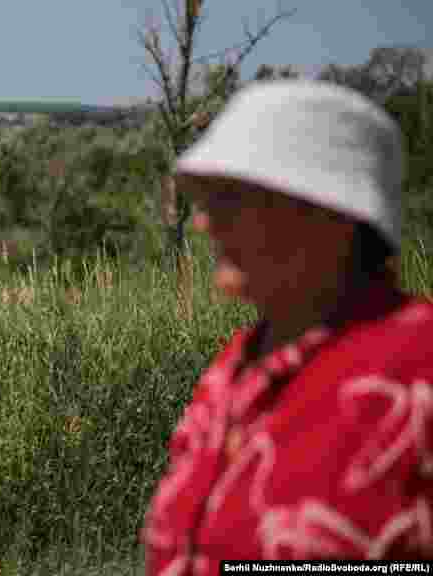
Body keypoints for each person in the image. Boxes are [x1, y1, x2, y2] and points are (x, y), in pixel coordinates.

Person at [141, 79, 433, 574]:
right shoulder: (236, 365)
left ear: (332, 214)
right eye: (207, 198)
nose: (205, 222)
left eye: (233, 197)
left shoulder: (418, 366)